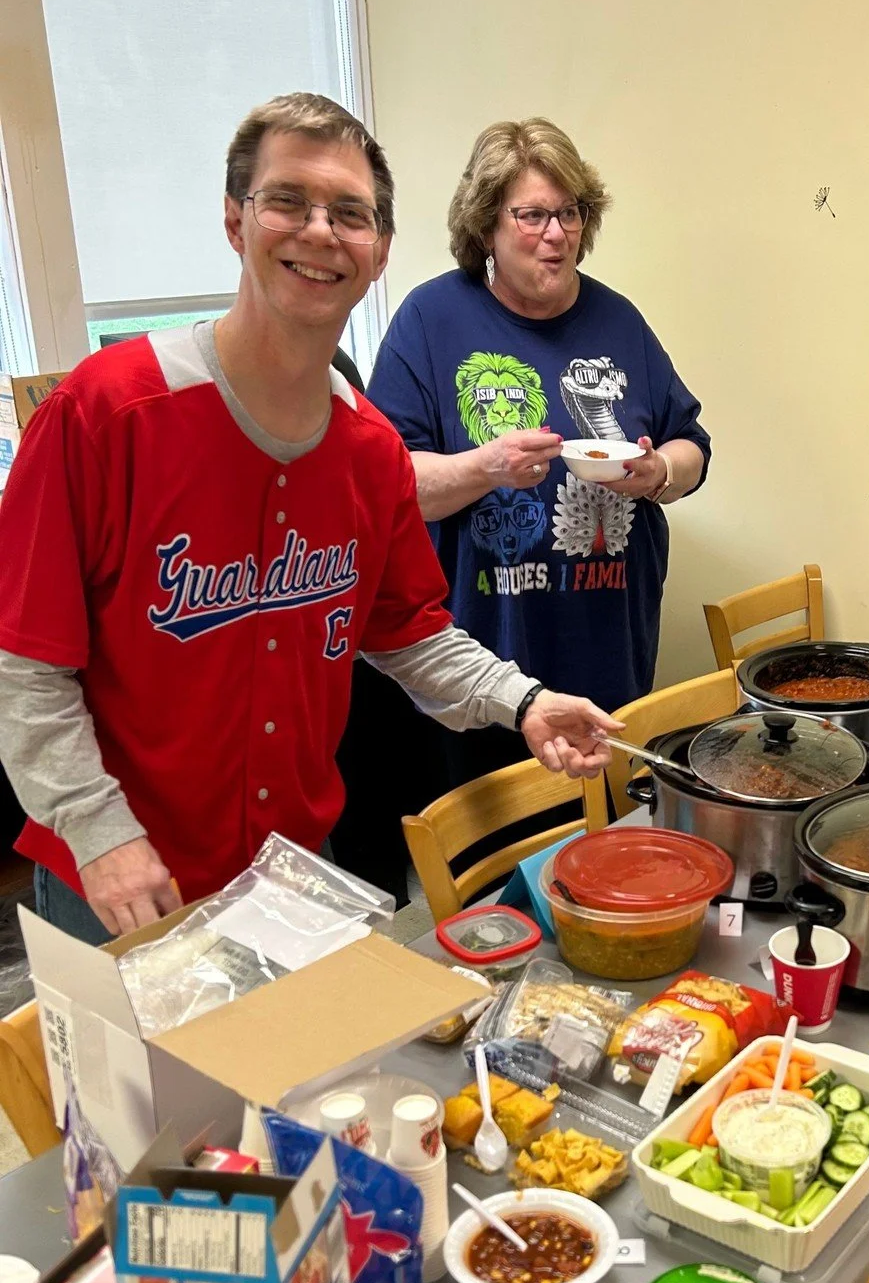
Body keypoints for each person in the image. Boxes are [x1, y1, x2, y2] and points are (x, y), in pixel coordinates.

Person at [0, 92, 618, 942]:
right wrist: (101, 833)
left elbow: (406, 632)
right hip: (123, 878)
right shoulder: (104, 415)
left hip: (291, 869)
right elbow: (26, 667)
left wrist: (525, 701)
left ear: (379, 252)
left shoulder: (368, 451)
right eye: (287, 199)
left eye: (350, 214)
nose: (320, 231)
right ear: (234, 220)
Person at [365, 117, 710, 794]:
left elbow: (690, 445)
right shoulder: (430, 321)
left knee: (602, 847)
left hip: (610, 647)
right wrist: (482, 467)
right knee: (496, 865)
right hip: (483, 665)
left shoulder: (619, 320)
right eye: (531, 215)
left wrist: (657, 473)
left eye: (570, 213)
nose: (556, 234)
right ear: (486, 223)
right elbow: (383, 484)